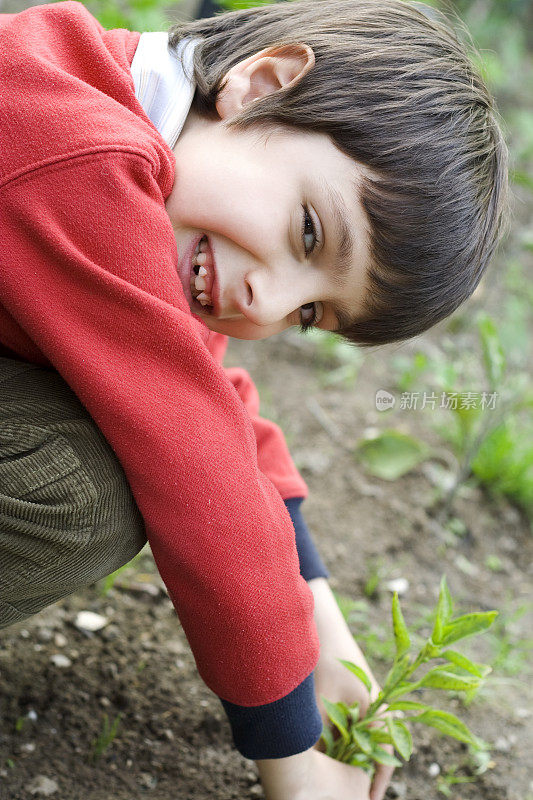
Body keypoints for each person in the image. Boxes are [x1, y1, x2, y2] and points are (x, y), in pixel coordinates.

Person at [0, 0, 507, 798]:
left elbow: (212, 393)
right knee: (82, 488)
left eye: (309, 315)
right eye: (309, 233)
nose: (266, 304)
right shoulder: (77, 150)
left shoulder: (133, 124)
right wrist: (293, 760)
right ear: (262, 83)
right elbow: (195, 459)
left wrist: (322, 624)